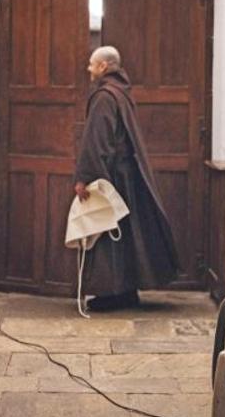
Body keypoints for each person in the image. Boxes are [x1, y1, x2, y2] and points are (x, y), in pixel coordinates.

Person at [73, 46, 180, 311]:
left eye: (92, 64)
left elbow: (97, 139)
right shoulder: (121, 93)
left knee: (110, 235)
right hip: (126, 175)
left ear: (103, 66)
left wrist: (86, 177)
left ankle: (112, 294)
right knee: (127, 235)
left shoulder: (104, 97)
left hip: (111, 175)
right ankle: (126, 292)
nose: (88, 69)